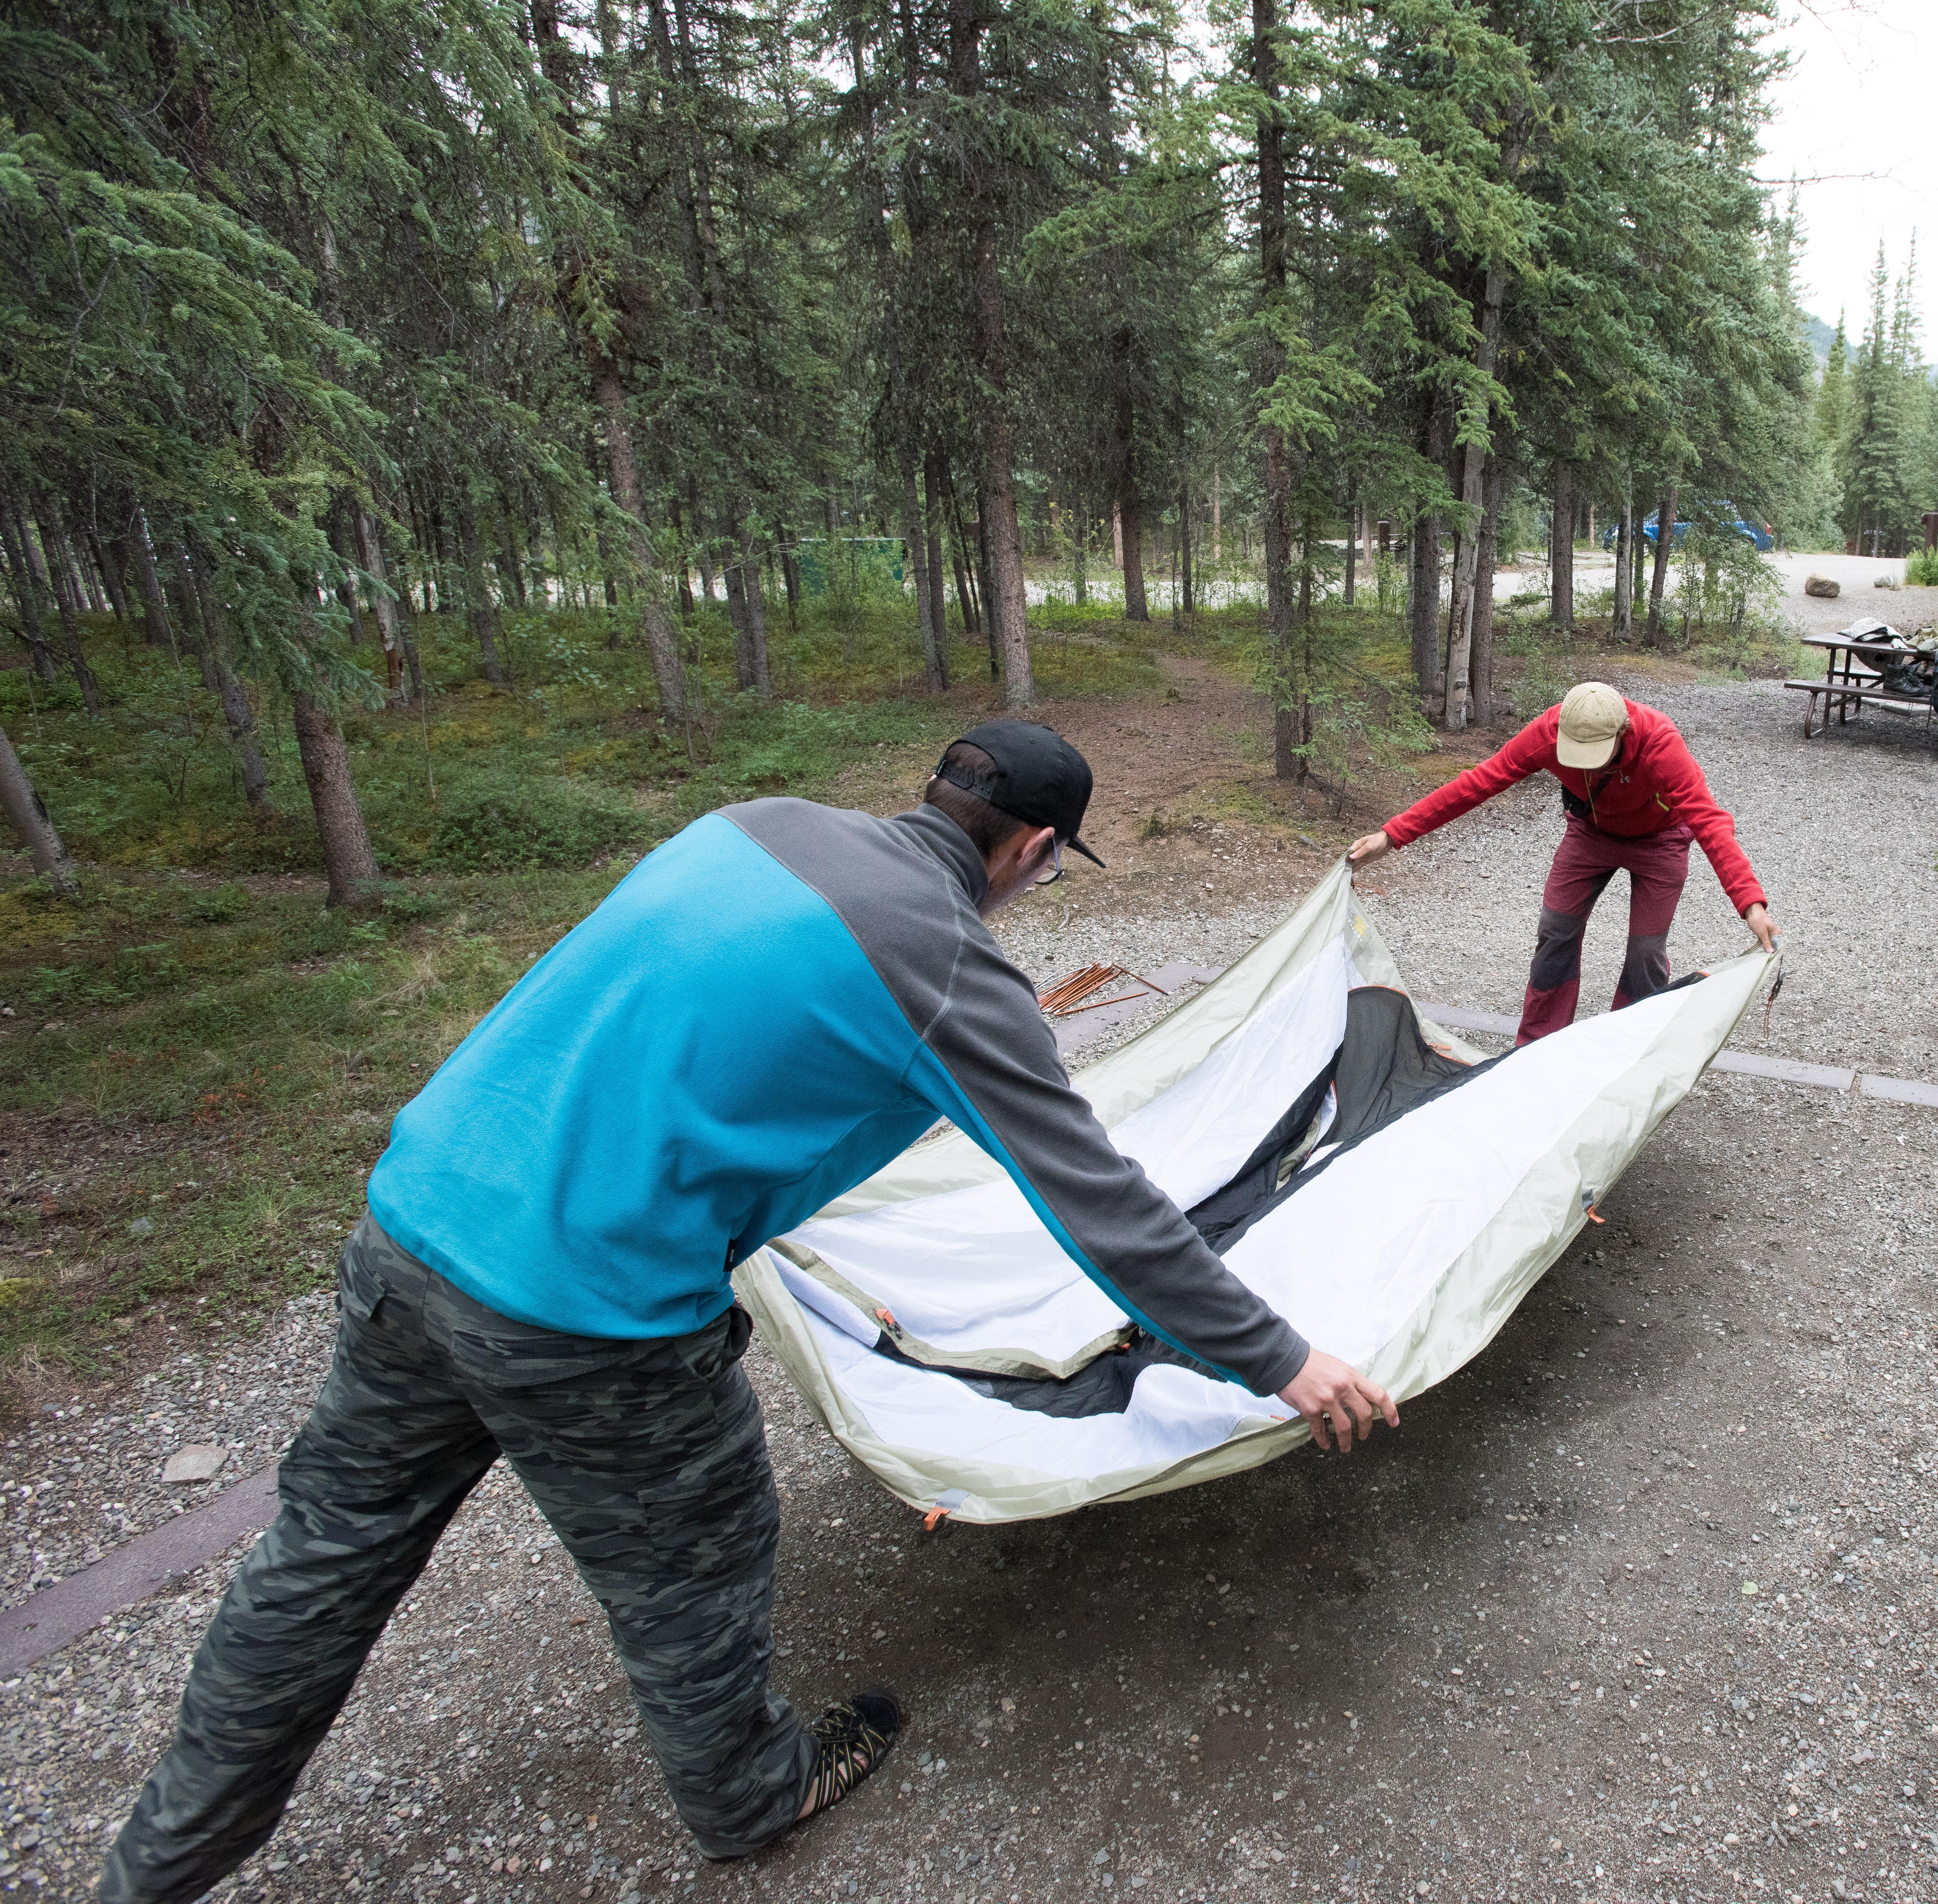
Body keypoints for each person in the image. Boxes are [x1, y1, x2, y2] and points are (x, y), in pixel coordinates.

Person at [102, 722, 1397, 1904]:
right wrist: (1278, 1357)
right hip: (587, 1316)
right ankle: (751, 1792)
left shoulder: (756, 824)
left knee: (323, 1557)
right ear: (1033, 850)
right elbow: (1103, 1208)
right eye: (1046, 874)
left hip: (414, 1218)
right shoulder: (946, 964)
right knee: (694, 1560)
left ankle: (161, 1861)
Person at [1347, 682, 1778, 1043]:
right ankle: (1537, 1045)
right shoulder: (1548, 731)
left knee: (1646, 951)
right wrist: (1394, 834)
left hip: (1660, 840)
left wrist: (1750, 904)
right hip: (1589, 834)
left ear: (1623, 732)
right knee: (1555, 931)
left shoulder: (1659, 742)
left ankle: (1628, 1045)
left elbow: (1709, 821)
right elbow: (1479, 782)